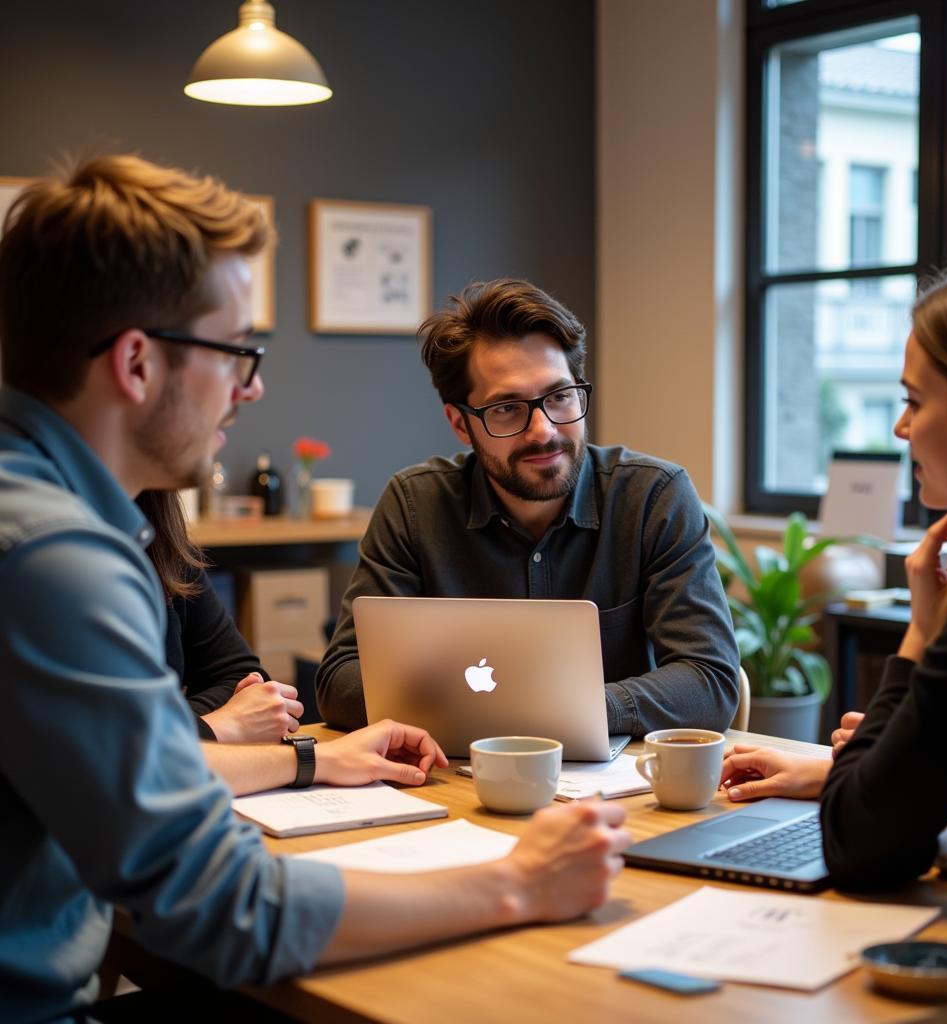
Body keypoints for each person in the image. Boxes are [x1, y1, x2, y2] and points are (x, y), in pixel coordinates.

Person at [0, 156, 631, 1023]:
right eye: (237, 353)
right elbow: (223, 910)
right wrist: (518, 884)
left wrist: (307, 758)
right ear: (137, 364)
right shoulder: (55, 557)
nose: (252, 387)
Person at [316, 278, 740, 735]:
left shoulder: (653, 497)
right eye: (507, 409)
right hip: (455, 781)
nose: (542, 430)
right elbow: (340, 679)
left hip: (615, 793)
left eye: (559, 397)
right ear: (461, 423)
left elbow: (710, 678)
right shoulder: (415, 505)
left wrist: (573, 711)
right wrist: (507, 714)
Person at [718, 261, 947, 891]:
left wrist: (920, 635)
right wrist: (876, 763)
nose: (900, 428)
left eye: (914, 401)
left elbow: (862, 845)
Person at [137, 487, 304, 744]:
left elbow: (242, 677)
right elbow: (114, 736)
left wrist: (186, 727)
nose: (220, 443)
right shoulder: (69, 552)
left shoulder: (163, 550)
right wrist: (225, 724)